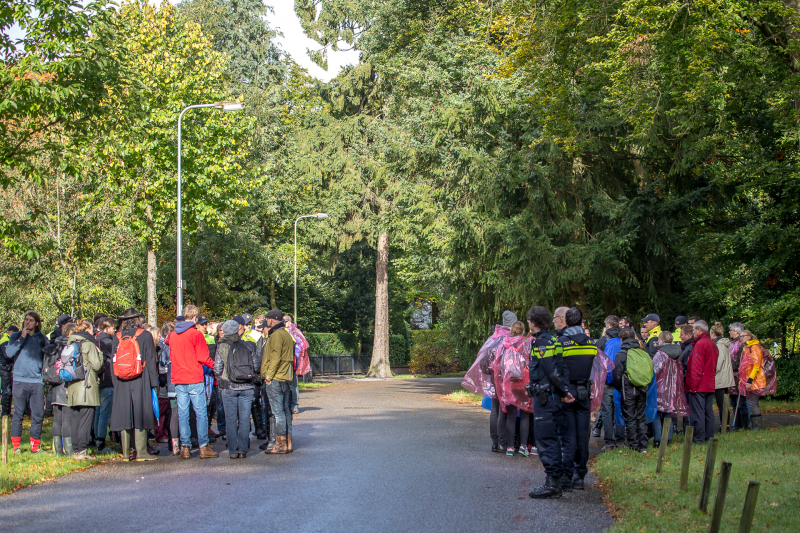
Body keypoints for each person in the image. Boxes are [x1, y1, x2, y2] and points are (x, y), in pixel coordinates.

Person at [527, 306, 573, 499]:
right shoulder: (553, 339)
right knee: (553, 437)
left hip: (546, 397)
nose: (528, 322)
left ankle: (552, 483)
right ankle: (556, 480)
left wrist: (563, 391)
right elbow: (563, 369)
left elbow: (552, 371)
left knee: (546, 439)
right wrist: (565, 391)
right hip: (552, 396)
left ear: (534, 322)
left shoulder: (544, 342)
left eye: (529, 320)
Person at [108, 308, 159, 461]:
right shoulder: (145, 335)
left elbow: (113, 361)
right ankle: (141, 452)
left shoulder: (117, 337)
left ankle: (125, 453)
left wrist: (115, 381)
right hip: (141, 378)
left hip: (121, 380)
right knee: (140, 413)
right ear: (137, 319)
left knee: (125, 413)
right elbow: (150, 360)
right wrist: (154, 383)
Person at [170, 304, 218, 459]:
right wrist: (215, 366)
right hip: (194, 377)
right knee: (201, 413)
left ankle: (185, 447)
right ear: (195, 318)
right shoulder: (195, 334)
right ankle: (204, 446)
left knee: (183, 413)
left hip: (178, 377)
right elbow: (203, 357)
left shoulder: (173, 335)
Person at [558, 307, 597, 491]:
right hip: (584, 392)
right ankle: (580, 475)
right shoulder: (591, 344)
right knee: (583, 435)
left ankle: (566, 474)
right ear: (582, 322)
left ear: (566, 321)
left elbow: (557, 370)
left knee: (568, 435)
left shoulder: (562, 342)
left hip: (567, 392)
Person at [5, 311, 48, 454]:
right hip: (19, 380)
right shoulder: (15, 336)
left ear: (36, 323)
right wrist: (21, 338)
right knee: (18, 414)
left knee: (38, 415)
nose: (27, 322)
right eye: (25, 320)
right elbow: (9, 353)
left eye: (30, 320)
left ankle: (35, 447)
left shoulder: (41, 338)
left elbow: (48, 355)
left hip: (36, 381)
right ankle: (16, 447)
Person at [215, 319, 259, 459]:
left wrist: (221, 382)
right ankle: (243, 449)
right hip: (247, 386)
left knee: (231, 419)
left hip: (229, 386)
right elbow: (256, 366)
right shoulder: (248, 345)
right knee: (245, 418)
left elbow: (217, 368)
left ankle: (233, 450)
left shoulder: (221, 346)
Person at [493, 321, 532, 457]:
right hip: (524, 383)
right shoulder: (527, 343)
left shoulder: (504, 344)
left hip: (509, 383)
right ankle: (523, 446)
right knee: (525, 415)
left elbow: (498, 364)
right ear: (523, 330)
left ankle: (509, 447)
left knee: (510, 416)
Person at [66, 319, 103, 460]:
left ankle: (75, 450)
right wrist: (100, 354)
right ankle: (82, 450)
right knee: (86, 419)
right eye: (92, 328)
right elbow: (97, 365)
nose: (93, 330)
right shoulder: (89, 344)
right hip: (87, 387)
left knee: (75, 419)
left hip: (73, 386)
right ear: (87, 329)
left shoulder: (70, 343)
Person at [261, 309, 295, 454]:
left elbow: (275, 357)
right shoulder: (287, 335)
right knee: (286, 411)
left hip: (276, 378)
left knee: (277, 412)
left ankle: (280, 445)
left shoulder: (275, 336)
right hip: (285, 378)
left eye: (267, 319)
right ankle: (287, 442)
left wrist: (268, 376)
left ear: (271, 321)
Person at [612, 329, 651, 452]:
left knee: (630, 417)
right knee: (640, 417)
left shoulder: (621, 354)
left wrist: (619, 388)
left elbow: (616, 374)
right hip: (642, 388)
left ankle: (633, 445)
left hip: (628, 389)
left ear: (622, 340)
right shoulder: (641, 352)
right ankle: (643, 444)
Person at [651, 331, 688, 446]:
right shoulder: (677, 354)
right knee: (668, 414)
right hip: (672, 388)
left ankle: (657, 439)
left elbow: (655, 371)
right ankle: (668, 438)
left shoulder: (660, 354)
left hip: (660, 388)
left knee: (656, 414)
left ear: (661, 340)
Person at [685, 320, 718, 443]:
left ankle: (699, 438)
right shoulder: (712, 343)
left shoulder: (700, 344)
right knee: (708, 412)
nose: (693, 332)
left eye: (694, 329)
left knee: (698, 413)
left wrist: (693, 386)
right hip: (709, 382)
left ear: (699, 329)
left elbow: (696, 367)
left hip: (699, 385)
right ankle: (709, 436)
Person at [596, 316, 624, 450]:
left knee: (606, 411)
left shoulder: (602, 341)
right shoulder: (623, 340)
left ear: (607, 327)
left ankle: (609, 441)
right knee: (619, 410)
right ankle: (620, 439)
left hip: (606, 382)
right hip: (621, 381)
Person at [737, 330, 769, 430]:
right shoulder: (747, 348)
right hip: (751, 380)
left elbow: (756, 366)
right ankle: (755, 426)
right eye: (740, 336)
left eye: (743, 336)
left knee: (753, 403)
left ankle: (757, 427)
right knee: (753, 402)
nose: (741, 338)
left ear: (749, 337)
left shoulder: (754, 347)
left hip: (756, 381)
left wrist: (749, 381)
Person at [49, 326, 72, 456]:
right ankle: (69, 450)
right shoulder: (69, 347)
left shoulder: (54, 346)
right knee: (67, 419)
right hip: (66, 384)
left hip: (54, 383)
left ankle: (58, 450)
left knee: (57, 419)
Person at [94, 317, 116, 453]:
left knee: (98, 412)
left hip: (96, 380)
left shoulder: (94, 339)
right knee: (104, 413)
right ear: (107, 328)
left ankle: (97, 438)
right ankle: (101, 442)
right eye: (113, 328)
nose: (115, 330)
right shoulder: (109, 342)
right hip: (107, 379)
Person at [157, 321, 180, 454]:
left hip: (170, 385)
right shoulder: (180, 342)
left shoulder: (165, 345)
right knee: (182, 413)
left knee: (173, 414)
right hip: (183, 383)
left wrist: (163, 379)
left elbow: (162, 364)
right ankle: (183, 443)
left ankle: (174, 445)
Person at [710, 322, 735, 428]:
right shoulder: (723, 344)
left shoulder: (719, 345)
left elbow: (718, 363)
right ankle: (726, 424)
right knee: (723, 404)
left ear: (714, 334)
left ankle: (724, 424)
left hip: (720, 378)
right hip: (725, 377)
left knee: (721, 404)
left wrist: (711, 373)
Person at [728, 322, 749, 429]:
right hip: (731, 376)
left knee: (741, 402)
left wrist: (728, 366)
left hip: (739, 376)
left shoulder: (741, 345)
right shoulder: (730, 343)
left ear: (736, 331)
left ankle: (744, 425)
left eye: (731, 330)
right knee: (733, 401)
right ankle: (737, 425)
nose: (729, 332)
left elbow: (740, 362)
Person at [0, 325, 19, 418]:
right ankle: (5, 412)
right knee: (6, 390)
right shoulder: (5, 340)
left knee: (8, 389)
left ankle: (7, 412)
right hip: (4, 368)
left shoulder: (7, 340)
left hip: (6, 367)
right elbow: (7, 354)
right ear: (11, 332)